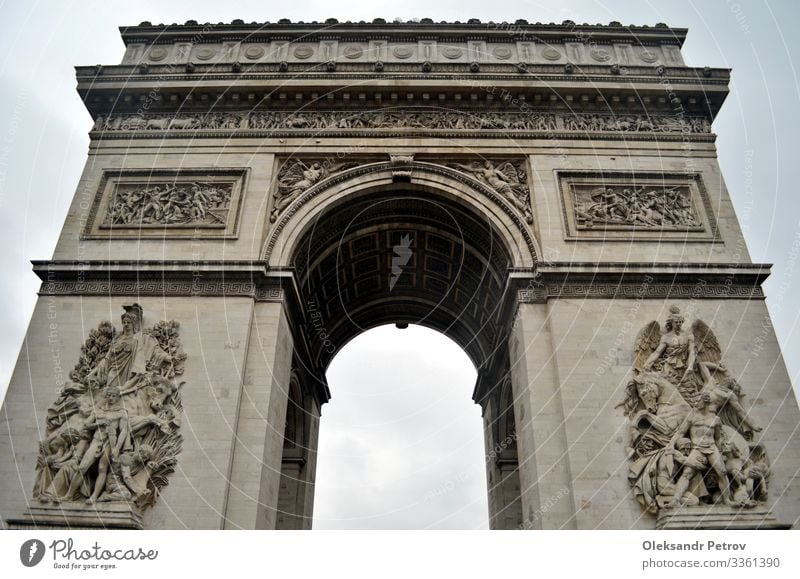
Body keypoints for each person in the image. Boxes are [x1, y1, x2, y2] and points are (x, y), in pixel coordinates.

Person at [665, 392, 732, 507]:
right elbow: (680, 433)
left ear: (705, 401)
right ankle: (676, 500)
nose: (695, 403)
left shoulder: (715, 419)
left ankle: (727, 500)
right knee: (687, 473)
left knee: (722, 472)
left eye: (698, 401)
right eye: (694, 401)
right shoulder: (691, 417)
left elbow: (717, 438)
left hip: (712, 448)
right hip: (697, 448)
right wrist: (671, 444)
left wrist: (721, 451)